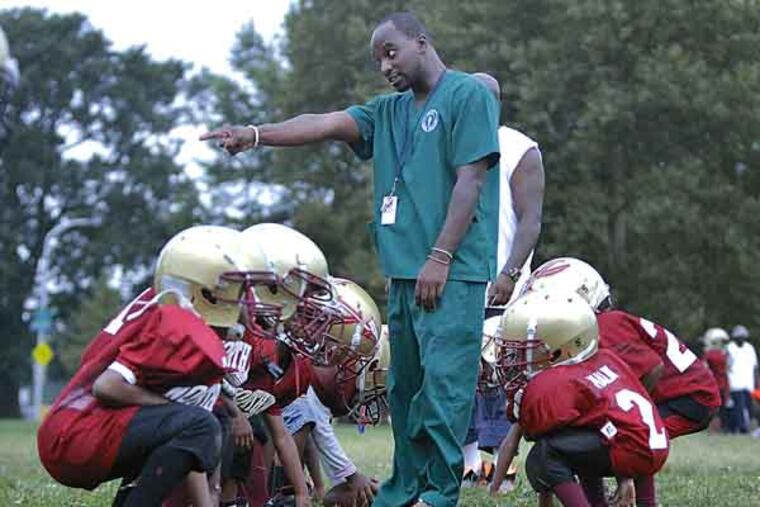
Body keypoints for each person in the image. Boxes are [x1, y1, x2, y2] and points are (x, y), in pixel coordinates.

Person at [201, 11, 501, 507]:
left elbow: (471, 180)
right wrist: (255, 134)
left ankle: (439, 493)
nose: (384, 65)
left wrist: (441, 255)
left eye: (391, 52)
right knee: (404, 391)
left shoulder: (468, 95)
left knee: (444, 388)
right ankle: (406, 488)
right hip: (404, 273)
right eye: (377, 59)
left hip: (451, 270)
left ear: (421, 43)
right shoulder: (386, 112)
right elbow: (321, 124)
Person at [37, 225, 259, 507]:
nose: (243, 302)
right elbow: (107, 386)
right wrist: (167, 406)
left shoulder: (171, 308)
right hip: (78, 433)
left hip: (90, 428)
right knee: (199, 423)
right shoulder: (171, 323)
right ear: (202, 289)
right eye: (232, 290)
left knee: (207, 420)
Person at [498, 289, 668, 507]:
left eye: (528, 348)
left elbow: (540, 437)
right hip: (648, 444)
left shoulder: (554, 381)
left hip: (627, 446)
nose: (518, 356)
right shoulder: (605, 358)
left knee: (543, 455)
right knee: (579, 440)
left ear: (560, 346)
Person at [460, 72, 544, 494]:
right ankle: (468, 464)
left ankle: (503, 467)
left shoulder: (519, 147)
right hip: (455, 276)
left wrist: (510, 273)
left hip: (501, 280)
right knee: (458, 371)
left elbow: (531, 220)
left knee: (497, 372)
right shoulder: (450, 141)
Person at [726, 325, 758, 434]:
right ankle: (741, 429)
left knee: (748, 408)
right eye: (738, 337)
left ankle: (743, 428)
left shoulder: (750, 348)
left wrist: (756, 384)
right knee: (738, 408)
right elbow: (726, 367)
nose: (741, 339)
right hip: (735, 384)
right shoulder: (729, 348)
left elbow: (754, 368)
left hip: (748, 384)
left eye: (743, 337)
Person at [702, 327, 731, 432]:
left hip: (715, 384)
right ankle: (718, 428)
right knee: (721, 407)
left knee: (715, 407)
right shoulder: (724, 354)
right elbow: (728, 368)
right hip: (722, 383)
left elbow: (704, 368)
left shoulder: (709, 354)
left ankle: (714, 429)